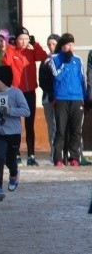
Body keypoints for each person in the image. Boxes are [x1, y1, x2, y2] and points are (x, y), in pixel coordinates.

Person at [1, 26, 48, 166]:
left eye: (26, 39)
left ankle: (31, 155)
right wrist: (10, 46)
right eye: (21, 39)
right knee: (15, 125)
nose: (23, 41)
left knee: (29, 124)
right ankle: (16, 154)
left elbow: (43, 57)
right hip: (16, 92)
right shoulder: (12, 51)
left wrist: (36, 44)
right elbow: (6, 62)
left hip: (30, 92)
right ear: (16, 39)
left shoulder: (31, 52)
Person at [0, 66, 30, 201]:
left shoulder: (16, 93)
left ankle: (14, 174)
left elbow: (26, 111)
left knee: (10, 160)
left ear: (5, 79)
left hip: (14, 133)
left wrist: (10, 111)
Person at [49, 33, 86, 167]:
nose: (70, 47)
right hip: (61, 98)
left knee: (76, 130)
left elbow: (82, 79)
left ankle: (74, 157)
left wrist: (84, 97)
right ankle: (58, 158)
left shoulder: (78, 60)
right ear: (62, 46)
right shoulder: (55, 59)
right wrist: (65, 63)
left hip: (77, 98)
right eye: (67, 45)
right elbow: (57, 76)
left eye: (71, 44)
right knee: (60, 130)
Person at [39, 34, 60, 162]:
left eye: (53, 44)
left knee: (62, 126)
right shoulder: (45, 60)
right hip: (48, 98)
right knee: (51, 126)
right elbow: (41, 80)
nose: (51, 47)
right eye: (49, 44)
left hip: (62, 98)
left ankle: (64, 153)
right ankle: (53, 154)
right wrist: (50, 92)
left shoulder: (62, 59)